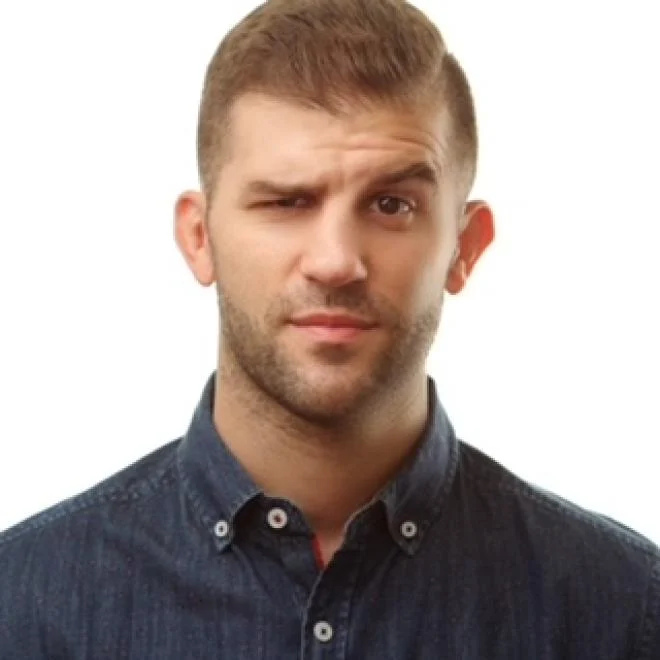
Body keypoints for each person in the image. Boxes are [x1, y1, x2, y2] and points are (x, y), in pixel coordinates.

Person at [1, 0, 658, 657]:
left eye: (391, 204)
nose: (336, 261)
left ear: (465, 247)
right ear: (200, 238)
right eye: (287, 201)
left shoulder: (625, 610)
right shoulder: (21, 606)